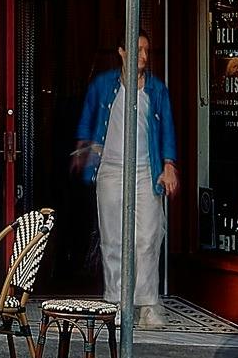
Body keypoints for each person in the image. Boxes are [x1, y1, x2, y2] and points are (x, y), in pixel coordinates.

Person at [74, 33, 180, 325]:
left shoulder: (157, 89)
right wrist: (83, 152)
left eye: (146, 50)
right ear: (122, 51)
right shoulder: (102, 85)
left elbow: (168, 128)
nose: (143, 56)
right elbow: (86, 122)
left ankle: (147, 304)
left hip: (147, 169)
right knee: (113, 238)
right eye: (137, 50)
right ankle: (118, 302)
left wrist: (169, 165)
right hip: (109, 168)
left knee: (148, 235)